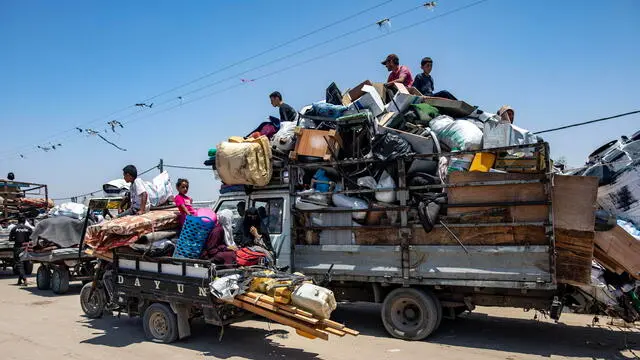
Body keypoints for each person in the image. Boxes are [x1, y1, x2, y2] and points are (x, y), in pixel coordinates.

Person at [9, 216, 31, 286]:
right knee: (23, 264)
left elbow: (10, 239)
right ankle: (19, 280)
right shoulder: (29, 229)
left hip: (18, 247)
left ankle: (24, 279)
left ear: (18, 221)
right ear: (24, 221)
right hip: (27, 248)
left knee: (19, 264)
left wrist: (16, 238)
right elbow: (32, 238)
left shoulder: (14, 228)